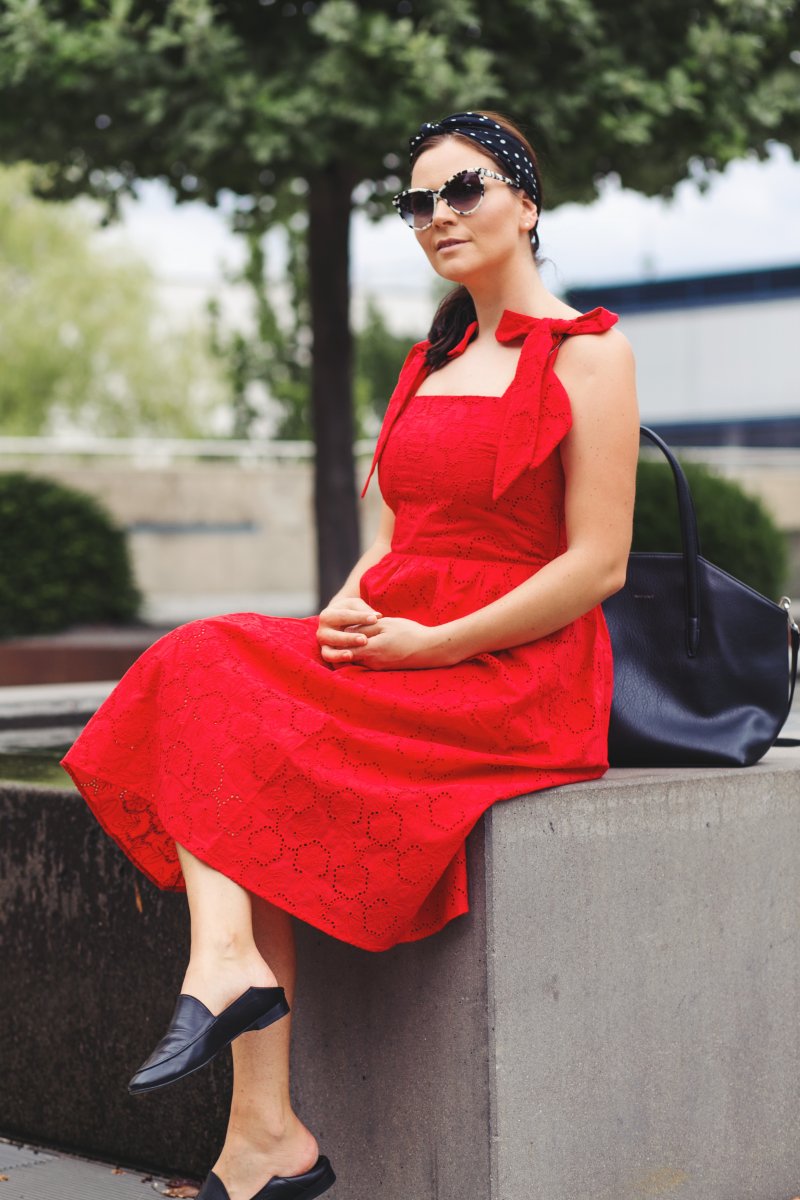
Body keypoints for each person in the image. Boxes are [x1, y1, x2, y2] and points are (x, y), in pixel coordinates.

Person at [61, 110, 639, 1200]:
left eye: (462, 190)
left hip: (510, 672)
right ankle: (259, 1121)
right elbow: (383, 545)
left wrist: (429, 646)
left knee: (212, 688)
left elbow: (595, 565)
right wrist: (339, 625)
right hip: (402, 647)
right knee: (208, 678)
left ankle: (255, 1100)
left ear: (525, 201)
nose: (437, 218)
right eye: (417, 202)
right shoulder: (429, 360)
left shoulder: (590, 353)